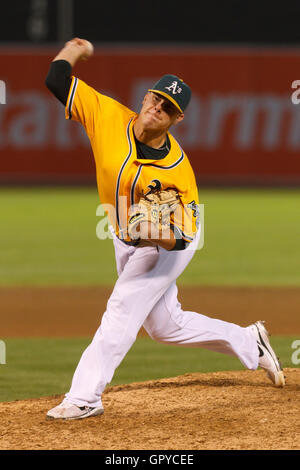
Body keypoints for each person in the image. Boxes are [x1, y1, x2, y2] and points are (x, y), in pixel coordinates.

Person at [45, 38, 285, 420]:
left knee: (122, 308)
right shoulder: (107, 116)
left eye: (168, 108)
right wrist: (75, 48)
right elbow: (57, 78)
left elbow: (185, 236)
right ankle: (248, 341)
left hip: (169, 243)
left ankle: (85, 396)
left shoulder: (177, 170)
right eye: (156, 99)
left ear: (177, 119)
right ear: (145, 98)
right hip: (127, 237)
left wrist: (154, 232)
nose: (158, 109)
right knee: (164, 325)